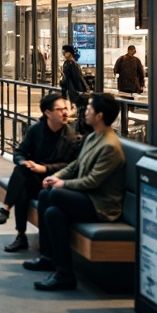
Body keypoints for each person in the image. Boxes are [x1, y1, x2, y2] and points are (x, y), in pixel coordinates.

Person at [25, 93, 126, 291]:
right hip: (87, 198)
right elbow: (75, 166)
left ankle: (53, 261)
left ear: (99, 116)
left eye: (88, 109)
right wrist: (58, 176)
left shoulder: (110, 147)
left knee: (53, 194)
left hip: (101, 205)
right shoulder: (92, 138)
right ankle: (59, 268)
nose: (84, 112)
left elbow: (92, 182)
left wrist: (62, 184)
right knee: (53, 210)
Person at [0, 94, 81, 252]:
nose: (65, 113)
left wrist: (45, 169)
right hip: (34, 177)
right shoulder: (36, 130)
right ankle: (19, 233)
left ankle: (8, 216)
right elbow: (20, 152)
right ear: (48, 113)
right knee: (22, 173)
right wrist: (25, 162)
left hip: (54, 180)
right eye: (60, 109)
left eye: (66, 109)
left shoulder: (70, 137)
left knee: (22, 184)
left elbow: (71, 165)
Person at [59, 44, 88, 108]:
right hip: (73, 90)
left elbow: (74, 77)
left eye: (65, 52)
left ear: (70, 53)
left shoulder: (69, 63)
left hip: (71, 90)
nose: (64, 54)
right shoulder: (73, 63)